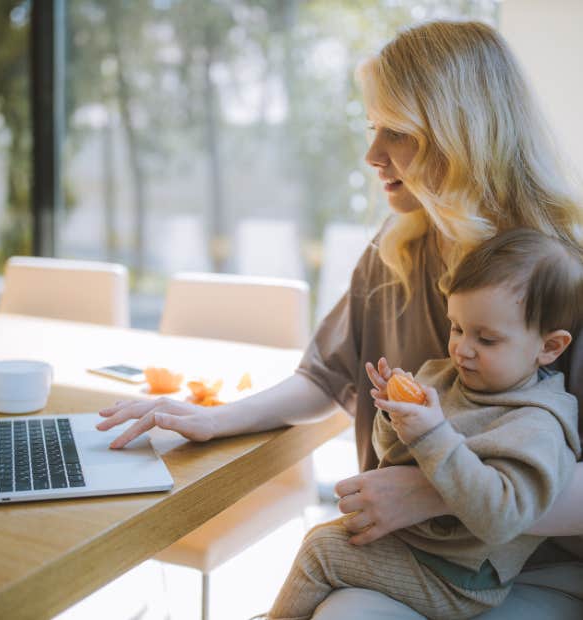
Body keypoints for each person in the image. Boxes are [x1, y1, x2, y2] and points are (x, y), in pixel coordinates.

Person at [96, 20, 583, 617]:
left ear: (463, 136)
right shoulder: (398, 248)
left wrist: (433, 494)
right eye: (371, 126)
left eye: (397, 132)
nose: (372, 154)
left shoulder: (564, 276)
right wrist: (217, 419)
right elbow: (325, 378)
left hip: (533, 565)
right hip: (411, 548)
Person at [265, 229, 582, 620]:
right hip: (418, 547)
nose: (462, 349)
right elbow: (395, 458)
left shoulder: (537, 423)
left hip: (460, 578)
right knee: (324, 540)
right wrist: (394, 416)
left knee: (321, 553)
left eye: (486, 339)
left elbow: (502, 517)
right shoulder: (446, 377)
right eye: (457, 328)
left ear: (549, 347)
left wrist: (432, 434)